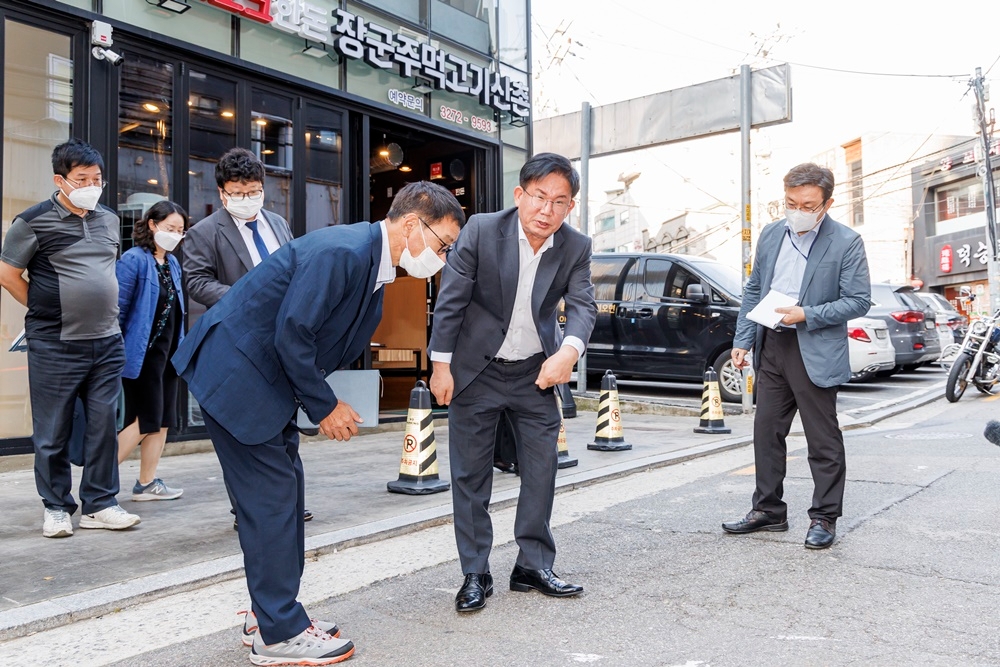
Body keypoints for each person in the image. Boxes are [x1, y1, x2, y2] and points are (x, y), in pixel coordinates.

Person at [172, 181, 464, 666]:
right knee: (272, 505)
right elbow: (294, 334)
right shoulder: (344, 252)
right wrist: (325, 405)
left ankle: (269, 614)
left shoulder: (375, 267)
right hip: (241, 377)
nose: (443, 257)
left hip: (266, 384)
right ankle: (279, 633)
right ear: (413, 224)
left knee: (281, 501)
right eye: (444, 244)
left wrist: (325, 398)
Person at [428, 152, 597, 613]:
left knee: (542, 470)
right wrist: (441, 365)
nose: (547, 211)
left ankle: (532, 565)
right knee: (470, 476)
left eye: (560, 202)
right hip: (476, 371)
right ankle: (475, 572)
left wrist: (569, 351)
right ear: (520, 195)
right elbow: (452, 301)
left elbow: (583, 306)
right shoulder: (482, 230)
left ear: (571, 207)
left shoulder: (575, 246)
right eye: (539, 197)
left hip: (534, 373)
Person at [722, 162, 871, 550]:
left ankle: (824, 516)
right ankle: (769, 510)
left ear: (826, 204)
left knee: (823, 439)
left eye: (807, 204)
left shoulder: (846, 242)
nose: (798, 210)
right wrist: (743, 339)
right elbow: (755, 287)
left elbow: (859, 300)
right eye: (791, 202)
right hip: (772, 343)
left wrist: (809, 314)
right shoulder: (771, 234)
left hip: (814, 346)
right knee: (766, 432)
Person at [0, 138, 141, 537]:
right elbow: (7, 274)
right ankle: (57, 506)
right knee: (53, 430)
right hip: (55, 343)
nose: (92, 185)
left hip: (107, 341)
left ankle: (99, 503)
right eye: (83, 179)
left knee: (102, 427)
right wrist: (47, 311)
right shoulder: (32, 221)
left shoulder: (110, 219)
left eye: (97, 178)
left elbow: (103, 274)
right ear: (60, 180)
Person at [182, 147, 308, 527]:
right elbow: (197, 282)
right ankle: (248, 510)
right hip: (236, 346)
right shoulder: (204, 232)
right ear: (222, 193)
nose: (246, 199)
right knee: (244, 431)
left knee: (286, 428)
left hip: (278, 343)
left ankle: (289, 503)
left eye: (253, 191)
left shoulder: (278, 223)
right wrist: (247, 299)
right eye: (238, 193)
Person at [115, 200, 189, 501]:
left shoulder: (172, 263)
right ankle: (97, 484)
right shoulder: (133, 260)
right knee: (145, 419)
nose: (174, 234)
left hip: (167, 356)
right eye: (169, 228)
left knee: (162, 420)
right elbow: (117, 310)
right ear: (152, 225)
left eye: (180, 230)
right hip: (140, 356)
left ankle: (146, 483)